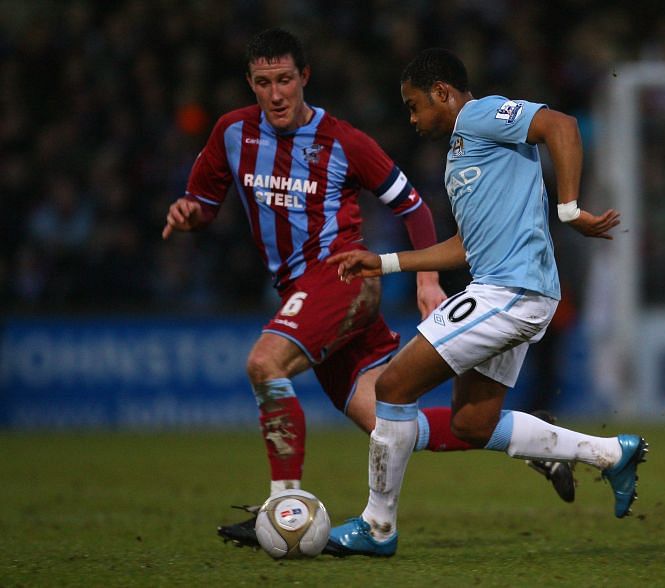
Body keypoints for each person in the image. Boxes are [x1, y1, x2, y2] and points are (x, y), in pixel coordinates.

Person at [161, 30, 575, 548]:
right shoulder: (231, 133)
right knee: (391, 422)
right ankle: (539, 441)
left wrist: (427, 281)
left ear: (304, 77)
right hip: (298, 290)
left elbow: (413, 206)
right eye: (263, 83)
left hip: (341, 280)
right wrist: (188, 213)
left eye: (285, 79)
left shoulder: (343, 141)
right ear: (250, 84)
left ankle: (282, 507)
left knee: (264, 364)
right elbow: (204, 201)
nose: (276, 93)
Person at [324, 48, 648, 557]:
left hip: (509, 292)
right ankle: (610, 453)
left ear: (444, 94)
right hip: (506, 289)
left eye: (414, 106)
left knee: (391, 386)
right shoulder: (461, 154)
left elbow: (560, 125)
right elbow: (463, 246)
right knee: (472, 423)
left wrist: (568, 208)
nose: (411, 119)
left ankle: (377, 527)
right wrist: (384, 263)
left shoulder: (478, 115)